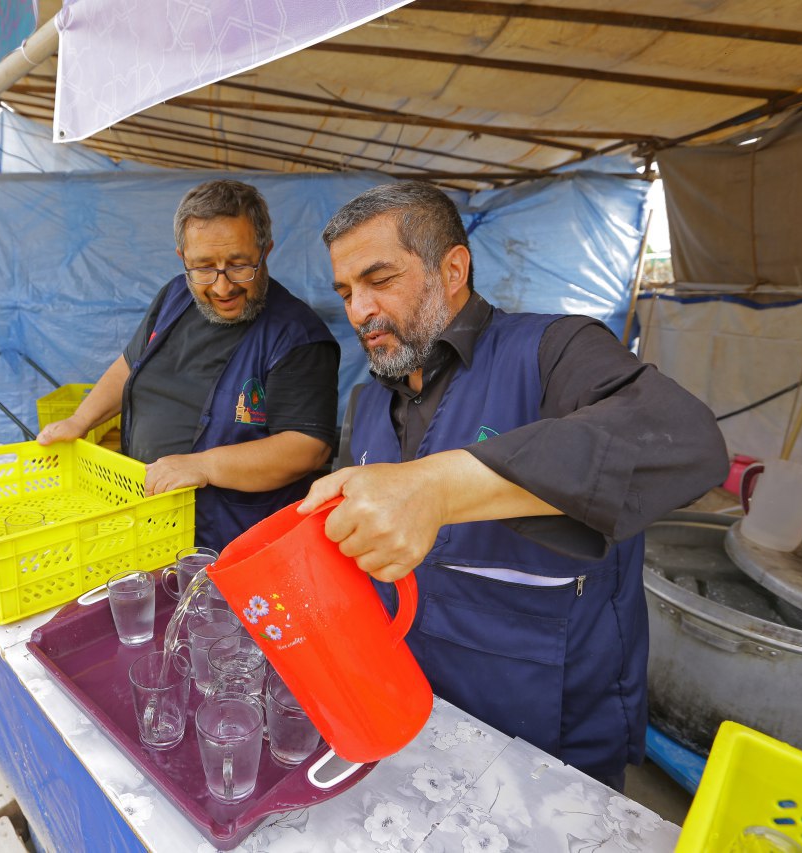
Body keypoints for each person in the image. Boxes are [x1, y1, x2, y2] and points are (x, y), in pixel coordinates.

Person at [301, 182, 727, 789]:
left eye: (380, 280)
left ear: (452, 269)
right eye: (346, 292)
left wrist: (440, 487)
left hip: (547, 726)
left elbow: (684, 440)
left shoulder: (554, 349)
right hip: (413, 706)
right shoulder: (367, 402)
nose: (358, 312)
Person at [38, 180, 341, 551]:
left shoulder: (298, 336)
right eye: (204, 267)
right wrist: (79, 421)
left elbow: (306, 448)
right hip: (148, 518)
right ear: (182, 258)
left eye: (239, 265)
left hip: (230, 541)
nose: (222, 286)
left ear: (266, 251)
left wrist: (204, 466)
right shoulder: (174, 296)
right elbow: (128, 366)